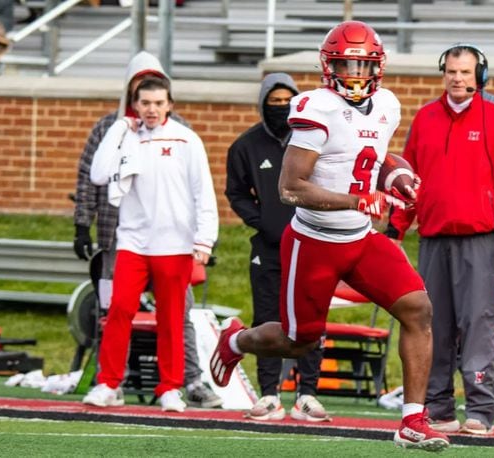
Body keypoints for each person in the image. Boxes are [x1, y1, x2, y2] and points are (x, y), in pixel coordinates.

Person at [210, 20, 449, 451]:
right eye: (346, 63)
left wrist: (396, 174)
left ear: (377, 66)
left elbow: (371, 156)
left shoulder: (387, 105)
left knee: (418, 309)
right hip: (314, 240)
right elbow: (291, 187)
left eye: (363, 64)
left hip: (360, 239)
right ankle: (236, 339)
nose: (355, 74)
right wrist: (357, 202)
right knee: (297, 341)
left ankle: (413, 420)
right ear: (328, 65)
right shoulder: (314, 107)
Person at [384, 44, 494, 435]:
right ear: (443, 73)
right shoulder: (425, 118)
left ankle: (480, 409)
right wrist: (396, 228)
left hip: (480, 236)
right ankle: (439, 407)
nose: (458, 78)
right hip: (433, 237)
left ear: (479, 75)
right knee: (433, 322)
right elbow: (406, 178)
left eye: (465, 72)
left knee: (478, 321)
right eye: (451, 71)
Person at [73, 51, 222, 409]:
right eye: (144, 102)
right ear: (134, 103)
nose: (151, 109)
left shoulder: (187, 139)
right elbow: (97, 173)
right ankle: (109, 383)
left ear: (169, 103)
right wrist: (122, 127)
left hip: (175, 243)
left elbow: (204, 190)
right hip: (133, 242)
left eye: (158, 102)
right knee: (119, 310)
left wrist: (205, 239)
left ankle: (170, 387)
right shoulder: (125, 134)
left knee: (171, 318)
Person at [225, 73, 330, 422]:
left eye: (288, 100)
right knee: (267, 316)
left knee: (310, 318)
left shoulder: (313, 142)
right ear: (262, 104)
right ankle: (269, 394)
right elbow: (236, 192)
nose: (281, 107)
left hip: (312, 242)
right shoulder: (246, 146)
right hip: (269, 247)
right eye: (274, 101)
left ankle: (308, 395)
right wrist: (262, 221)